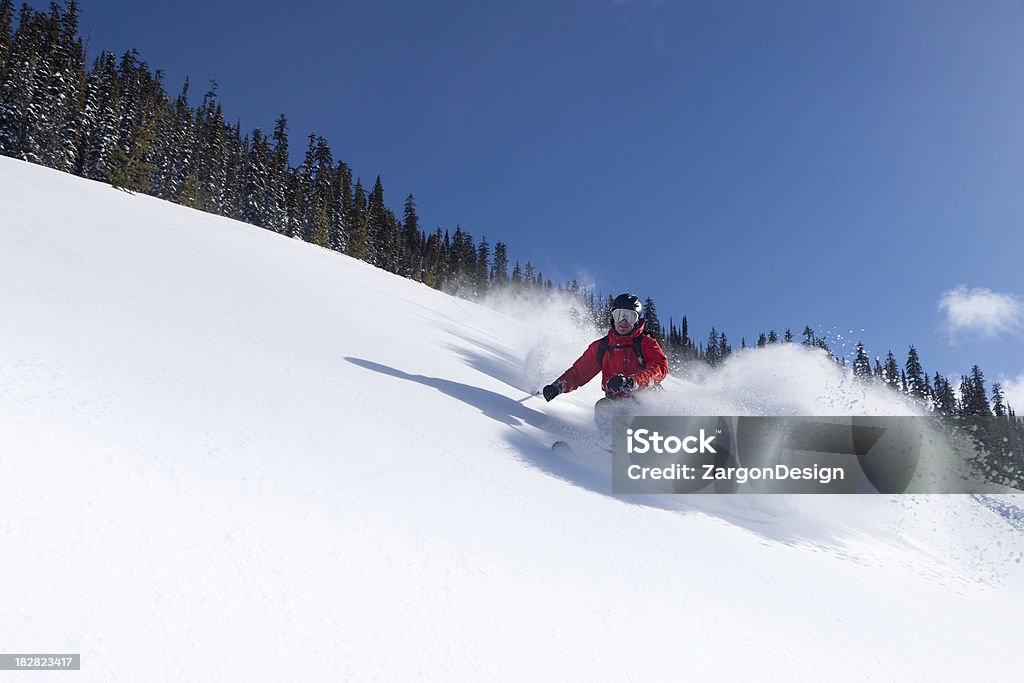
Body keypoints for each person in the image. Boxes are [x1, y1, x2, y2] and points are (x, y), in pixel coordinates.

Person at [542, 293, 669, 432]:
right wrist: (557, 387)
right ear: (612, 317)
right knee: (603, 408)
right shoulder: (602, 347)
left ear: (637, 320)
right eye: (619, 315)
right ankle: (607, 449)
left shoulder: (646, 343)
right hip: (618, 402)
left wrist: (632, 381)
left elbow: (659, 366)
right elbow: (578, 373)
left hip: (646, 401)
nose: (624, 321)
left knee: (634, 417)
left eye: (630, 316)